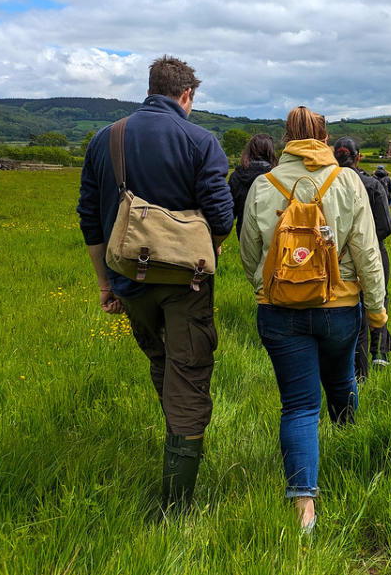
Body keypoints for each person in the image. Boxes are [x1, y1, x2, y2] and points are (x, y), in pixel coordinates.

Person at [77, 55, 234, 514]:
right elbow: (222, 216)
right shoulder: (202, 141)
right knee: (188, 373)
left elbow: (90, 220)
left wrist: (105, 285)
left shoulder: (106, 139)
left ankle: (175, 441)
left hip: (128, 278)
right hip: (189, 283)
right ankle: (177, 503)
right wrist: (211, 245)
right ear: (186, 95)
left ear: (150, 88)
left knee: (162, 360)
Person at [239, 107, 386, 536]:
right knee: (341, 379)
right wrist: (376, 311)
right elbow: (367, 252)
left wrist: (266, 288)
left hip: (281, 312)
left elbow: (250, 253)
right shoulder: (347, 181)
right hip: (340, 309)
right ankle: (350, 448)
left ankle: (304, 508)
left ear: (287, 138)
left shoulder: (263, 186)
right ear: (324, 138)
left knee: (300, 406)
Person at [332, 137, 391, 379]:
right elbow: (387, 225)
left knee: (351, 305)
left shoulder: (327, 186)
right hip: (373, 251)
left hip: (338, 255)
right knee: (377, 298)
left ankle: (356, 366)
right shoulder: (371, 184)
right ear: (358, 157)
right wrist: (367, 240)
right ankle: (379, 353)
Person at [229, 133, 277, 239]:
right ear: (271, 151)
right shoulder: (275, 176)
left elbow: (230, 209)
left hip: (243, 229)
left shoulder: (236, 176)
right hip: (271, 229)